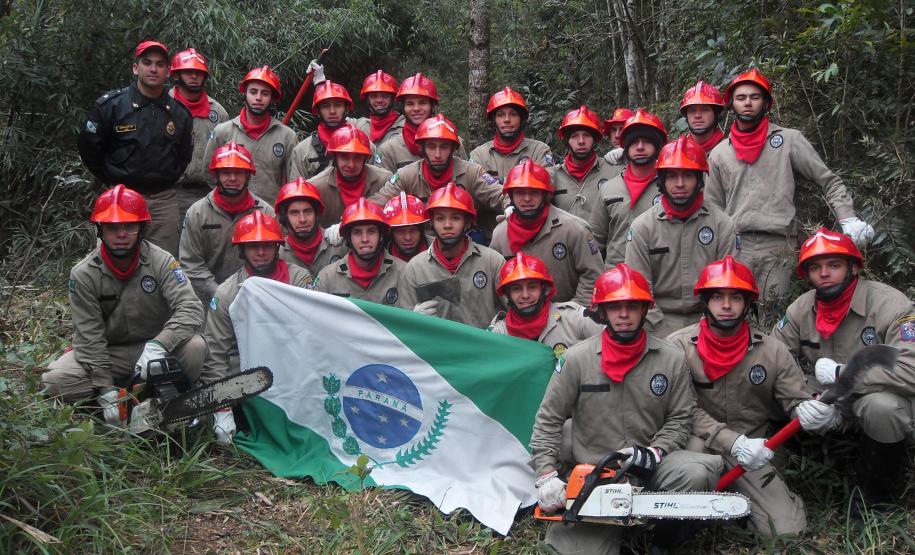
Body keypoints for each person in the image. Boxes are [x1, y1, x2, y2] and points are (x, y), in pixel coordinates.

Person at [529, 263, 724, 554]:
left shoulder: (670, 358)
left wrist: (656, 451)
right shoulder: (576, 360)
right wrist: (546, 474)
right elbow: (548, 419)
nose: (623, 314)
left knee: (697, 471)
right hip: (598, 473)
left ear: (644, 309)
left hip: (652, 465)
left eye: (632, 306)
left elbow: (681, 417)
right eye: (615, 306)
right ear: (602, 311)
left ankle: (664, 536)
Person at [669, 256, 840, 537]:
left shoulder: (772, 350)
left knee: (786, 531)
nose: (726, 306)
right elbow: (679, 409)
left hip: (752, 450)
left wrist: (809, 412)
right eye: (717, 297)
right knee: (681, 515)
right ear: (705, 302)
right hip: (695, 446)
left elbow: (794, 400)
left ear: (748, 304)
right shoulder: (676, 347)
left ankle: (747, 506)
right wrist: (730, 441)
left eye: (736, 297)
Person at [771, 228, 915, 513]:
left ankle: (875, 499)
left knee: (881, 408)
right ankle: (789, 484)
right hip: (826, 399)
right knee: (765, 396)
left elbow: (910, 371)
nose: (824, 273)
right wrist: (802, 400)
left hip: (879, 399)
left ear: (853, 267)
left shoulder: (892, 305)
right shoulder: (800, 308)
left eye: (833, 265)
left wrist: (843, 375)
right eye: (815, 267)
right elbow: (773, 360)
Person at [705, 68, 874, 301]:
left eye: (755, 97)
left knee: (774, 316)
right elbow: (712, 207)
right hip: (735, 246)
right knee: (736, 315)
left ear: (766, 103)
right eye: (741, 98)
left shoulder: (788, 140)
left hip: (778, 246)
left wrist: (848, 218)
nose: (747, 103)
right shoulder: (719, 153)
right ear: (731, 105)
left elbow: (828, 180)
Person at [41, 186, 206, 422]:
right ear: (100, 230)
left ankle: (170, 399)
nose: (121, 234)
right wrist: (105, 388)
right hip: (111, 352)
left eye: (130, 226)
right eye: (112, 227)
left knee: (195, 346)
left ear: (141, 229)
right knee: (54, 380)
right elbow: (89, 335)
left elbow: (190, 307)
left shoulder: (162, 261)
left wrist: (159, 344)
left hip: (155, 348)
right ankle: (109, 404)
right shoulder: (84, 273)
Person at [200, 211, 313, 443]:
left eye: (266, 245)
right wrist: (221, 408)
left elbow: (315, 333)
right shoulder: (227, 293)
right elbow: (216, 353)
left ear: (277, 246)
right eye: (253, 246)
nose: (260, 253)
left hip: (295, 369)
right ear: (241, 250)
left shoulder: (299, 280)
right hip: (248, 374)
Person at [77, 40, 193, 256]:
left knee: (163, 265)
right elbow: (90, 148)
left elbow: (184, 156)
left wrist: (163, 178)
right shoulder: (111, 106)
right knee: (111, 262)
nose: (153, 69)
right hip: (119, 198)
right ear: (135, 67)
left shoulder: (178, 114)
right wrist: (112, 178)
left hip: (162, 201)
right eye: (147, 62)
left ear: (168, 71)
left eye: (159, 64)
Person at [625, 136, 739, 336]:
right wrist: (660, 331)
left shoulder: (722, 225)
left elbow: (730, 286)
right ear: (661, 181)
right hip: (656, 322)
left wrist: (709, 326)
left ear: (699, 180)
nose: (679, 184)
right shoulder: (643, 227)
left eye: (687, 176)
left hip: (711, 321)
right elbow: (639, 290)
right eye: (672, 176)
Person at [368, 114, 504, 240]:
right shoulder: (406, 175)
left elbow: (501, 195)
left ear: (453, 148)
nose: (437, 154)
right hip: (419, 246)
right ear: (422, 148)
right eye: (431, 147)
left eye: (444, 147)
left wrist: (512, 208)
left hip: (463, 242)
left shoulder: (472, 173)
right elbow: (376, 204)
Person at [490, 160, 603, 306]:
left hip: (569, 320)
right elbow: (497, 283)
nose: (527, 199)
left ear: (545, 194)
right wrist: (518, 312)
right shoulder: (500, 235)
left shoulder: (574, 228)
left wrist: (570, 314)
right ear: (510, 196)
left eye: (534, 192)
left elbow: (593, 275)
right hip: (519, 320)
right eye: (520, 193)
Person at [398, 184, 504, 329]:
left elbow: (514, 310)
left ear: (467, 223)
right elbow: (402, 328)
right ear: (431, 223)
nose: (447, 225)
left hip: (483, 349)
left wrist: (502, 324)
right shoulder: (415, 268)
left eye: (455, 218)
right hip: (434, 350)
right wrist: (411, 318)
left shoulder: (493, 262)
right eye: (440, 218)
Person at [179, 142, 273, 304]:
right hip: (209, 298)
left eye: (239, 173)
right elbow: (191, 264)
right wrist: (220, 295)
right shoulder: (197, 213)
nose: (232, 178)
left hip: (257, 296)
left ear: (248, 175)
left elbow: (276, 260)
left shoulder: (265, 213)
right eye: (226, 172)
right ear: (216, 175)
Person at [202, 66, 297, 206]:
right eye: (253, 92)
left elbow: (293, 181)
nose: (258, 98)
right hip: (232, 212)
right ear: (245, 93)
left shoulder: (287, 136)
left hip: (272, 215)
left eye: (265, 93)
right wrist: (229, 196)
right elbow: (208, 172)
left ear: (272, 98)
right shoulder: (223, 132)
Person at [588, 108, 668, 266]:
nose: (639, 147)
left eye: (647, 141)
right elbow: (595, 244)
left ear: (657, 146)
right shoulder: (609, 189)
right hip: (616, 279)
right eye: (634, 142)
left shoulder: (670, 187)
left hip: (660, 279)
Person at [489, 252, 602, 355]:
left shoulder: (574, 318)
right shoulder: (498, 333)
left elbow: (612, 341)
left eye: (532, 287)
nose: (525, 295)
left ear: (545, 289)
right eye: (516, 289)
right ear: (507, 294)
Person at [168, 48, 230, 219]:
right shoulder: (162, 107)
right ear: (176, 75)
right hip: (171, 194)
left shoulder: (218, 112)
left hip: (209, 193)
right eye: (188, 72)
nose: (194, 76)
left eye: (198, 72)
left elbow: (226, 154)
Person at [314, 199, 404, 304]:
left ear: (381, 236)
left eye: (371, 231)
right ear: (348, 238)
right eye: (357, 232)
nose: (365, 239)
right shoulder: (327, 278)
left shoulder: (404, 273)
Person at [301, 124, 392, 227]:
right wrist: (326, 233)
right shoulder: (314, 188)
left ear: (365, 159)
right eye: (344, 157)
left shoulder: (384, 181)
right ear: (334, 158)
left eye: (357, 157)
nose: (351, 164)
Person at [375, 73, 468, 172]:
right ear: (403, 108)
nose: (416, 109)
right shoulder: (389, 150)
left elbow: (465, 178)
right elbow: (384, 186)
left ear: (432, 106)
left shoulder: (454, 142)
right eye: (410, 104)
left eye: (422, 103)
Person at [548, 105, 620, 221]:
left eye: (586, 135)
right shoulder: (553, 175)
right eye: (574, 136)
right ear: (567, 140)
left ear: (595, 139)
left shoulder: (613, 171)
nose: (581, 141)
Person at [468, 87, 554, 179]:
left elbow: (545, 186)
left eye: (513, 114)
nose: (507, 120)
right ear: (493, 120)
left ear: (521, 119)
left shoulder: (539, 151)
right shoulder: (479, 155)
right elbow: (473, 189)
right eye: (500, 115)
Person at [276, 177, 346, 276]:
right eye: (294, 213)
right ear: (284, 218)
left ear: (317, 214)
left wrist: (348, 229)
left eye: (308, 212)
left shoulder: (338, 242)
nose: (302, 219)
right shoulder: (277, 255)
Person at [288, 80, 357, 179]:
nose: (332, 111)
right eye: (325, 106)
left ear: (346, 109)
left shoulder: (363, 145)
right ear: (318, 111)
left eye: (338, 105)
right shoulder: (302, 151)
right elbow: (297, 190)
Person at [354, 70, 402, 146]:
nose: (379, 100)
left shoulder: (406, 126)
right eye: (373, 96)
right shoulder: (359, 125)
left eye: (385, 95)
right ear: (367, 100)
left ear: (393, 98)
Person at [679, 81, 726, 155]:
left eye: (705, 110)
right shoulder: (678, 152)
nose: (697, 115)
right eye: (692, 111)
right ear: (686, 116)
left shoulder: (729, 151)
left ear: (716, 114)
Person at [383, 193, 431, 262]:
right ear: (391, 232)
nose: (408, 237)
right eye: (400, 231)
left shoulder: (439, 250)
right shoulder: (379, 259)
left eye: (413, 230)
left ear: (421, 230)